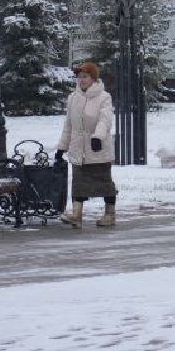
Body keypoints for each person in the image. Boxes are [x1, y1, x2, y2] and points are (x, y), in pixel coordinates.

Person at [56, 61, 117, 229]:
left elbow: (105, 120)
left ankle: (110, 214)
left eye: (85, 77)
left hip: (98, 149)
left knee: (104, 183)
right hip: (79, 150)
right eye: (80, 77)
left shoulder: (104, 97)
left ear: (93, 79)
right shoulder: (73, 98)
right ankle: (76, 216)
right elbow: (69, 125)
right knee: (78, 184)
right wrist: (62, 147)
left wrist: (98, 137)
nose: (81, 80)